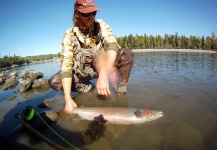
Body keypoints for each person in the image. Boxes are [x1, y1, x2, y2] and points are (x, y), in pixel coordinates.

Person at [57, 0, 134, 113]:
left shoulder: (100, 25)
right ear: (76, 14)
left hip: (102, 67)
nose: (91, 17)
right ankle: (88, 88)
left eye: (93, 13)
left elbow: (112, 45)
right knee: (56, 81)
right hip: (82, 73)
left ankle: (120, 93)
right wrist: (68, 99)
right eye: (86, 14)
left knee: (126, 54)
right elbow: (66, 67)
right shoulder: (69, 35)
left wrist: (103, 75)